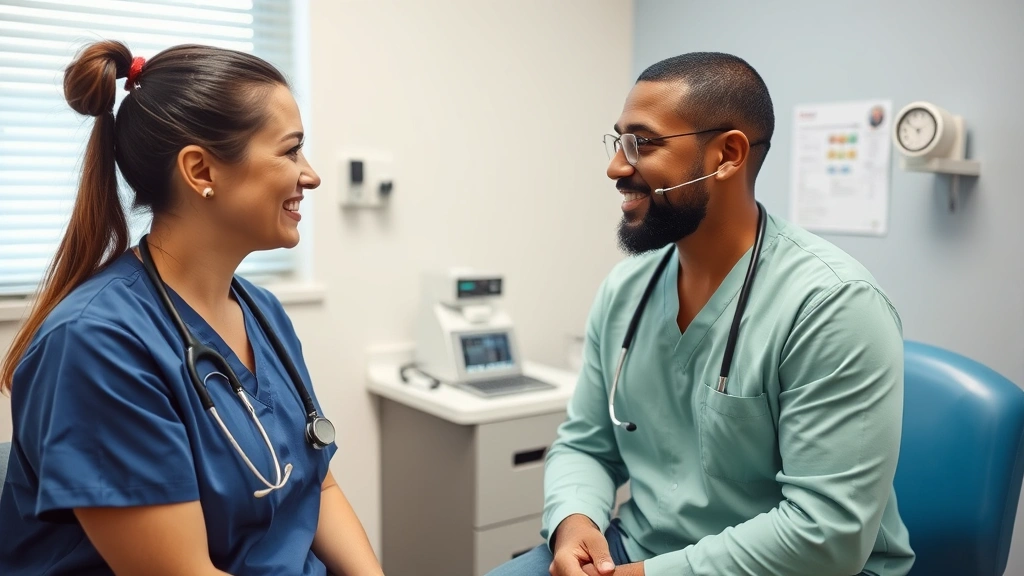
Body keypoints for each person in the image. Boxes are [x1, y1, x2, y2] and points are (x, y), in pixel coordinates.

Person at [488, 53, 914, 576]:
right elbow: (585, 444)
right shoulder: (626, 290)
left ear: (728, 155)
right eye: (618, 142)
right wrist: (574, 524)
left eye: (642, 144)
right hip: (637, 548)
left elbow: (825, 535)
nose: (616, 167)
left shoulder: (833, 305)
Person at [0, 41, 384, 576]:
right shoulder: (96, 344)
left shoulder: (262, 313)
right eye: (291, 151)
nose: (311, 175)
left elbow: (318, 485)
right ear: (201, 171)